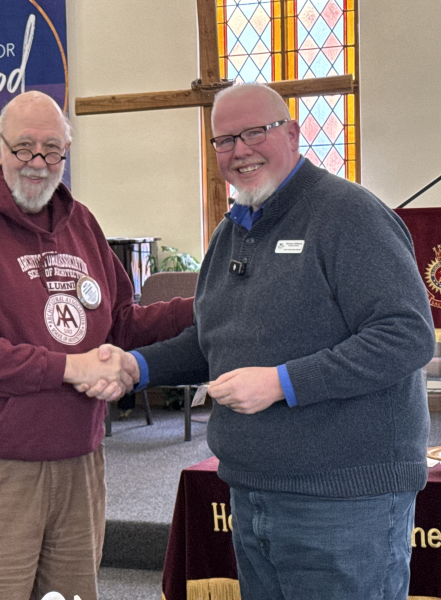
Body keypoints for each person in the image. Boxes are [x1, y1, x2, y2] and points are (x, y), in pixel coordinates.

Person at [88, 83, 436, 599]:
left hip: (344, 501)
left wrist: (281, 382)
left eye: (255, 132)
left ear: (293, 134)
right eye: (225, 140)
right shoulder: (232, 233)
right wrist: (136, 367)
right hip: (253, 490)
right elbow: (213, 341)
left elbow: (406, 335)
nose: (240, 150)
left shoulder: (349, 214)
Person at [0, 90, 194, 600]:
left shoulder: (81, 223)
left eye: (52, 151)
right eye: (24, 148)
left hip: (78, 463)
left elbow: (120, 324)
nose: (38, 163)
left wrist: (201, 307)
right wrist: (71, 368)